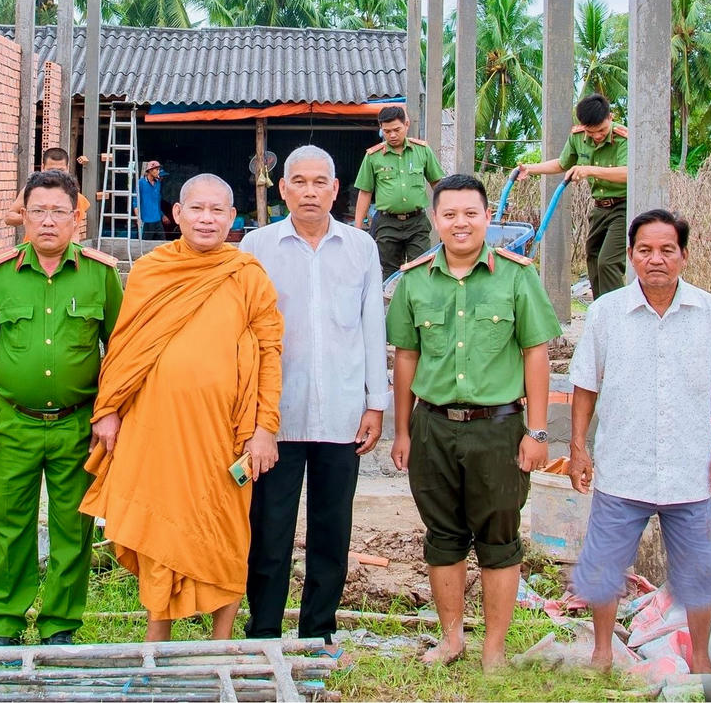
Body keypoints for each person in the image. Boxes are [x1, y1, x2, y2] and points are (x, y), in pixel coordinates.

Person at [80, 173, 284, 642]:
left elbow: (271, 349)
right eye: (197, 208)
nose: (207, 218)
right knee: (161, 527)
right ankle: (158, 635)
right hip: (158, 428)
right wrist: (108, 409)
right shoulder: (152, 271)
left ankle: (221, 641)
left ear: (233, 219)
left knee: (227, 530)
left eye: (218, 210)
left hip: (226, 431)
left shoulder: (247, 274)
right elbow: (125, 346)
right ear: (176, 214)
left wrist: (265, 426)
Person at [385, 174, 562, 667]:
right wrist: (402, 431)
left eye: (470, 213)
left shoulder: (516, 274)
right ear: (434, 220)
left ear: (488, 218)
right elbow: (405, 358)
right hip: (433, 428)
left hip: (499, 429)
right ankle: (452, 639)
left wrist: (539, 431)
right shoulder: (414, 279)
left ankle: (494, 649)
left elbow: (535, 353)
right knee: (442, 535)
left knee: (499, 539)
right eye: (449, 214)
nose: (460, 223)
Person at [567, 209, 711, 673]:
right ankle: (603, 653)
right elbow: (586, 383)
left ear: (683, 256)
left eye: (667, 250)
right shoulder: (607, 312)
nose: (656, 260)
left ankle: (703, 663)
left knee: (697, 573)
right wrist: (577, 448)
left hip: (689, 470)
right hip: (621, 465)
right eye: (645, 251)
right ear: (630, 256)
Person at [0, 170, 123, 646]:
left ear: (76, 218)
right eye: (38, 211)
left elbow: (120, 347)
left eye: (59, 212)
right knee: (11, 524)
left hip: (78, 424)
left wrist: (109, 411)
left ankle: (60, 626)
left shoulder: (101, 274)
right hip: (13, 421)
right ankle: (6, 623)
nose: (48, 221)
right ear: (23, 217)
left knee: (75, 528)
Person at [239, 146, 387, 656]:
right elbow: (244, 335)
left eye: (318, 181)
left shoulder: (360, 247)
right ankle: (262, 633)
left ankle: (319, 632)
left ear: (335, 187)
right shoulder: (256, 247)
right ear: (281, 189)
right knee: (269, 530)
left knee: (332, 530)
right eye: (297, 181)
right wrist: (251, 414)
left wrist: (375, 402)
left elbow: (372, 326)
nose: (308, 191)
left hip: (343, 414)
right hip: (275, 419)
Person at [516, 93, 628, 299]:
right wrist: (530, 169)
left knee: (608, 261)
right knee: (593, 257)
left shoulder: (623, 138)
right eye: (591, 132)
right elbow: (562, 163)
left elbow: (629, 173)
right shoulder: (577, 136)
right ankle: (600, 311)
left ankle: (616, 315)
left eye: (602, 130)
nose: (596, 136)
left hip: (624, 207)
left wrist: (590, 170)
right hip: (600, 208)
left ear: (610, 118)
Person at [353, 105, 445, 281]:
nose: (392, 135)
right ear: (381, 130)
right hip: (387, 223)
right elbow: (365, 192)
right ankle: (391, 307)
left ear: (407, 124)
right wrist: (357, 229)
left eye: (397, 129)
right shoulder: (373, 156)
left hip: (417, 222)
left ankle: (417, 306)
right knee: (389, 272)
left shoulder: (422, 150)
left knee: (421, 268)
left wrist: (446, 213)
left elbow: (438, 184)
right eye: (387, 131)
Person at [4, 147, 91, 241]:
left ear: (67, 168)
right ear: (43, 168)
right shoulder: (31, 191)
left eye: (60, 171)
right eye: (51, 170)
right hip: (33, 249)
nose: (55, 175)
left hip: (62, 251)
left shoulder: (74, 195)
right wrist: (33, 216)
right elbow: (9, 218)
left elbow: (74, 232)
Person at [134, 159, 165, 240]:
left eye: (159, 169)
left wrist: (162, 215)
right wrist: (138, 218)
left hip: (157, 220)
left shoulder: (158, 183)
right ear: (150, 170)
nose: (158, 172)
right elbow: (135, 202)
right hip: (146, 221)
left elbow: (157, 202)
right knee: (145, 245)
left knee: (162, 243)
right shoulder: (141, 183)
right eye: (157, 169)